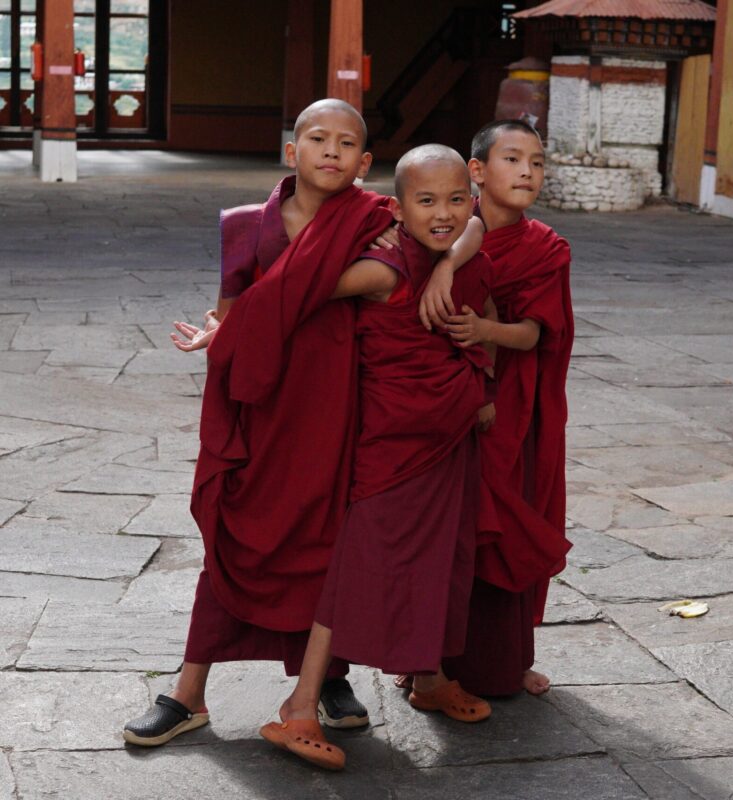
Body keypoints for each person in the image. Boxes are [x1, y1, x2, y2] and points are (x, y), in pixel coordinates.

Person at [123, 101, 478, 747]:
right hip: (264, 404)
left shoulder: (377, 218)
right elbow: (237, 309)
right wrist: (217, 331)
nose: (332, 151)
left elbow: (463, 224)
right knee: (236, 539)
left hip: (340, 404)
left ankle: (326, 681)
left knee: (325, 542)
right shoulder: (243, 225)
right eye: (319, 138)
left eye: (348, 143)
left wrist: (449, 263)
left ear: (366, 164)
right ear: (294, 151)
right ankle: (187, 692)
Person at [259, 145, 496, 771]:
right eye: (425, 201)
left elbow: (474, 228)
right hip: (392, 444)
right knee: (357, 568)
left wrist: (447, 267)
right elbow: (293, 294)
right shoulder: (380, 269)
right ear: (396, 207)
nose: (443, 213)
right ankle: (300, 707)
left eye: (454, 200)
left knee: (443, 555)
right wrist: (229, 323)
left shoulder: (451, 245)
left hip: (446, 435)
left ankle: (428, 678)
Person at [405, 119, 574, 698]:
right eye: (512, 159)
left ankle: (507, 657)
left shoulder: (545, 247)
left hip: (511, 412)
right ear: (477, 171)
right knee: (444, 532)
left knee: (502, 528)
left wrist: (483, 329)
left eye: (537, 161)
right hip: (440, 409)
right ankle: (426, 659)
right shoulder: (440, 224)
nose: (527, 171)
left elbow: (535, 334)